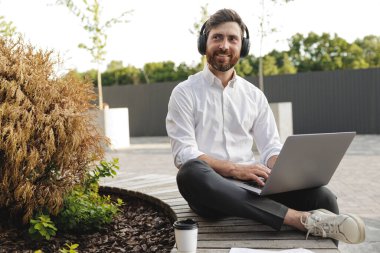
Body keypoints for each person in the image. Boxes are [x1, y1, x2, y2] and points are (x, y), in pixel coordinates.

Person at [166, 8, 365, 244]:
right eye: (217, 37)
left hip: (253, 185)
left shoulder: (254, 96)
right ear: (204, 43)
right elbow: (183, 153)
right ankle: (296, 219)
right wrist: (235, 169)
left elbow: (270, 145)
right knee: (190, 171)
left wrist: (280, 167)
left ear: (243, 46)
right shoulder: (184, 93)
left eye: (233, 39)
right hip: (211, 190)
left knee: (323, 198)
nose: (224, 45)